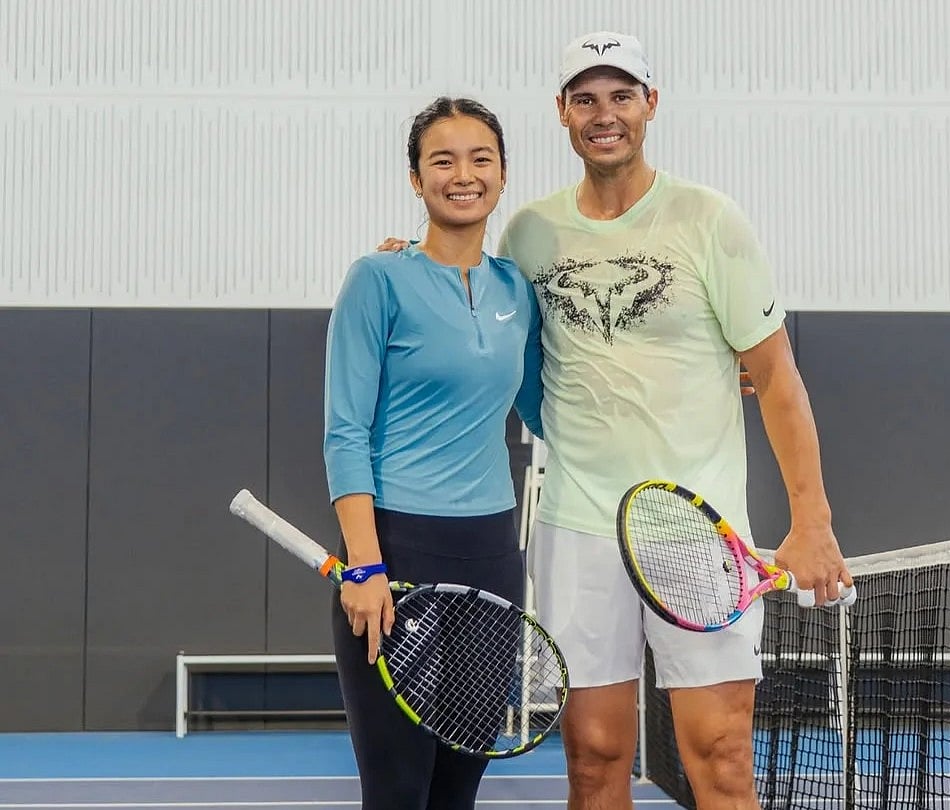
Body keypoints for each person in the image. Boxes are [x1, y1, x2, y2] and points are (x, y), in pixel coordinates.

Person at [378, 31, 853, 810]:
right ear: (562, 113)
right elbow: (481, 316)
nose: (606, 114)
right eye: (587, 98)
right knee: (595, 761)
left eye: (622, 95)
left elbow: (776, 377)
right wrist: (411, 262)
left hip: (697, 535)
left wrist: (813, 521)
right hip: (579, 527)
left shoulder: (710, 220)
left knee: (723, 759)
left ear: (650, 105)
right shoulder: (529, 233)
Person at [323, 96, 543, 810]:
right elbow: (345, 430)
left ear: (503, 175)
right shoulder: (377, 280)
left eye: (480, 159)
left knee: (458, 790)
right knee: (397, 790)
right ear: (416, 180)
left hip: (489, 557)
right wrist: (365, 562)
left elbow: (557, 404)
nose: (463, 175)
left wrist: (704, 370)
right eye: (441, 160)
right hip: (397, 555)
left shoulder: (519, 291)